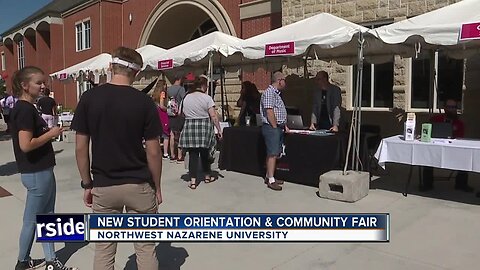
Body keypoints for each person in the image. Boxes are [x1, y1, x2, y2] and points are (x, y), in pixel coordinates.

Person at [71, 47, 162, 270]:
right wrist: (157, 186)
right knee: (145, 247)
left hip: (104, 184)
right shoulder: (144, 102)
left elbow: (81, 147)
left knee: (104, 248)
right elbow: (153, 151)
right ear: (137, 74)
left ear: (110, 67)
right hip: (139, 183)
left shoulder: (89, 98)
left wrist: (87, 183)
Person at [10, 66, 77, 270]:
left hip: (41, 170)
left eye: (43, 82)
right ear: (24, 85)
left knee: (48, 217)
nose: (43, 86)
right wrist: (51, 133)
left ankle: (49, 260)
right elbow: (25, 144)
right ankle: (22, 262)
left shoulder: (28, 108)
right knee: (33, 220)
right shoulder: (24, 109)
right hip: (36, 172)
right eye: (38, 83)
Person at [179, 75, 222, 189]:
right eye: (207, 86)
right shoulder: (207, 98)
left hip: (190, 126)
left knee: (193, 154)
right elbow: (213, 115)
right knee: (205, 153)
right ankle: (207, 176)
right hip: (204, 126)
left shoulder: (186, 98)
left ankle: (193, 181)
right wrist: (219, 129)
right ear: (203, 86)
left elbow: (181, 114)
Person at [421, 99, 473, 192]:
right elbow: (428, 132)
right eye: (449, 107)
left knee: (466, 157)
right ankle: (427, 184)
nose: (451, 109)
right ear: (444, 108)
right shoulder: (435, 119)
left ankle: (461, 184)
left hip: (454, 149)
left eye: (453, 107)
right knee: (427, 155)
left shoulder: (459, 123)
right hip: (436, 148)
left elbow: (460, 138)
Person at [260, 71, 289, 191]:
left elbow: (279, 110)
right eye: (284, 80)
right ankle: (271, 180)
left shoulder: (277, 93)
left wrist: (284, 125)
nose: (285, 83)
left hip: (278, 126)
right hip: (272, 127)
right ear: (279, 80)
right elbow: (269, 111)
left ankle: (269, 175)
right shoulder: (269, 92)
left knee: (275, 153)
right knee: (272, 154)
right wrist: (274, 126)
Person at [167, 73, 186, 163]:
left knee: (171, 134)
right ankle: (179, 155)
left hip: (170, 114)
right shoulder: (181, 89)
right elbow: (184, 100)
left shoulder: (169, 89)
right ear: (180, 79)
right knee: (179, 134)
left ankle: (172, 155)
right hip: (179, 114)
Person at [151, 79, 171, 159]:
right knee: (166, 134)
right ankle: (165, 153)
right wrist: (168, 109)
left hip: (155, 113)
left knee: (158, 135)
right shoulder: (163, 93)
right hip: (162, 114)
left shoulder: (154, 93)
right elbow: (162, 105)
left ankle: (158, 151)